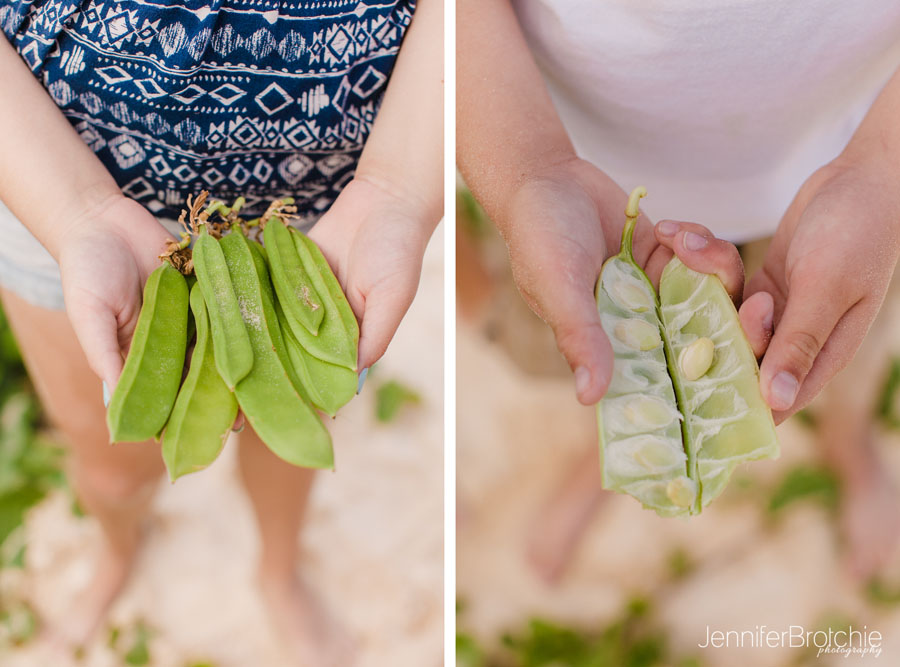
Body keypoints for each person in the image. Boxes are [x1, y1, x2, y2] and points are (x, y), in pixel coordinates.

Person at [0, 0, 442, 662]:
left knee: (288, 435)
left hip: (326, 222)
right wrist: (75, 213)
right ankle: (118, 550)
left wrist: (401, 189)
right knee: (113, 467)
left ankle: (278, 570)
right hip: (51, 193)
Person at [457, 0, 900, 583]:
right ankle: (624, 440)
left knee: (828, 347)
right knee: (592, 352)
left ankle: (848, 444)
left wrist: (884, 172)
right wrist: (526, 171)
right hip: (564, 159)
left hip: (849, 155)